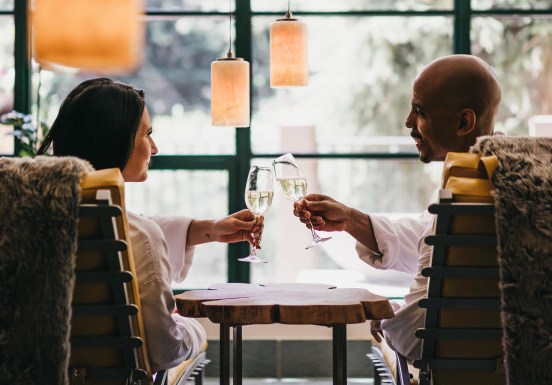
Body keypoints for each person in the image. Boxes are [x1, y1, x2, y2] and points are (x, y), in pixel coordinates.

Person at [36, 78, 263, 372]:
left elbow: (128, 229)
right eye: (147, 135)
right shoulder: (139, 236)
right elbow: (165, 352)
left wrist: (207, 229)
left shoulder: (35, 217)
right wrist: (194, 330)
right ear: (114, 140)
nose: (154, 148)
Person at [294, 54, 502, 362]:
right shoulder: (494, 179)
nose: (408, 122)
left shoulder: (467, 203)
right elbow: (427, 237)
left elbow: (418, 337)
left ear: (463, 122)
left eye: (419, 111)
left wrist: (390, 318)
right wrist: (351, 220)